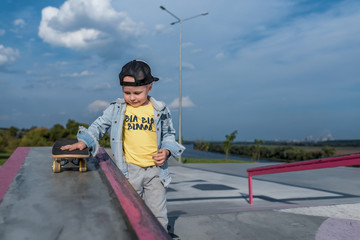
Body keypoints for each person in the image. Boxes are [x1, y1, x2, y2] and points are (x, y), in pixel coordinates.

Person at [61, 60, 185, 230]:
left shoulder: (160, 110)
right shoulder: (118, 109)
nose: (132, 98)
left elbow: (169, 134)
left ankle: (160, 235)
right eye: (127, 93)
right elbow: (99, 125)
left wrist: (166, 150)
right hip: (130, 170)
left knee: (158, 212)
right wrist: (85, 141)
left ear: (149, 87)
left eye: (137, 92)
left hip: (156, 170)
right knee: (132, 210)